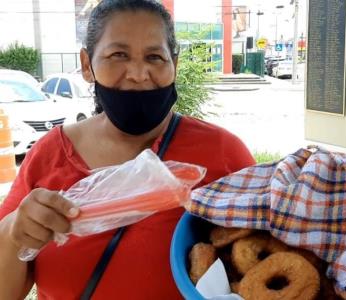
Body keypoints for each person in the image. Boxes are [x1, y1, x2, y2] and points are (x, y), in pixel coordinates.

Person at [0, 0, 255, 299]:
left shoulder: (224, 153)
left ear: (175, 64)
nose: (137, 73)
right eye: (118, 54)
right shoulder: (49, 154)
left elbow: (260, 261)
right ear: (86, 65)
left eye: (155, 57)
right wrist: (13, 231)